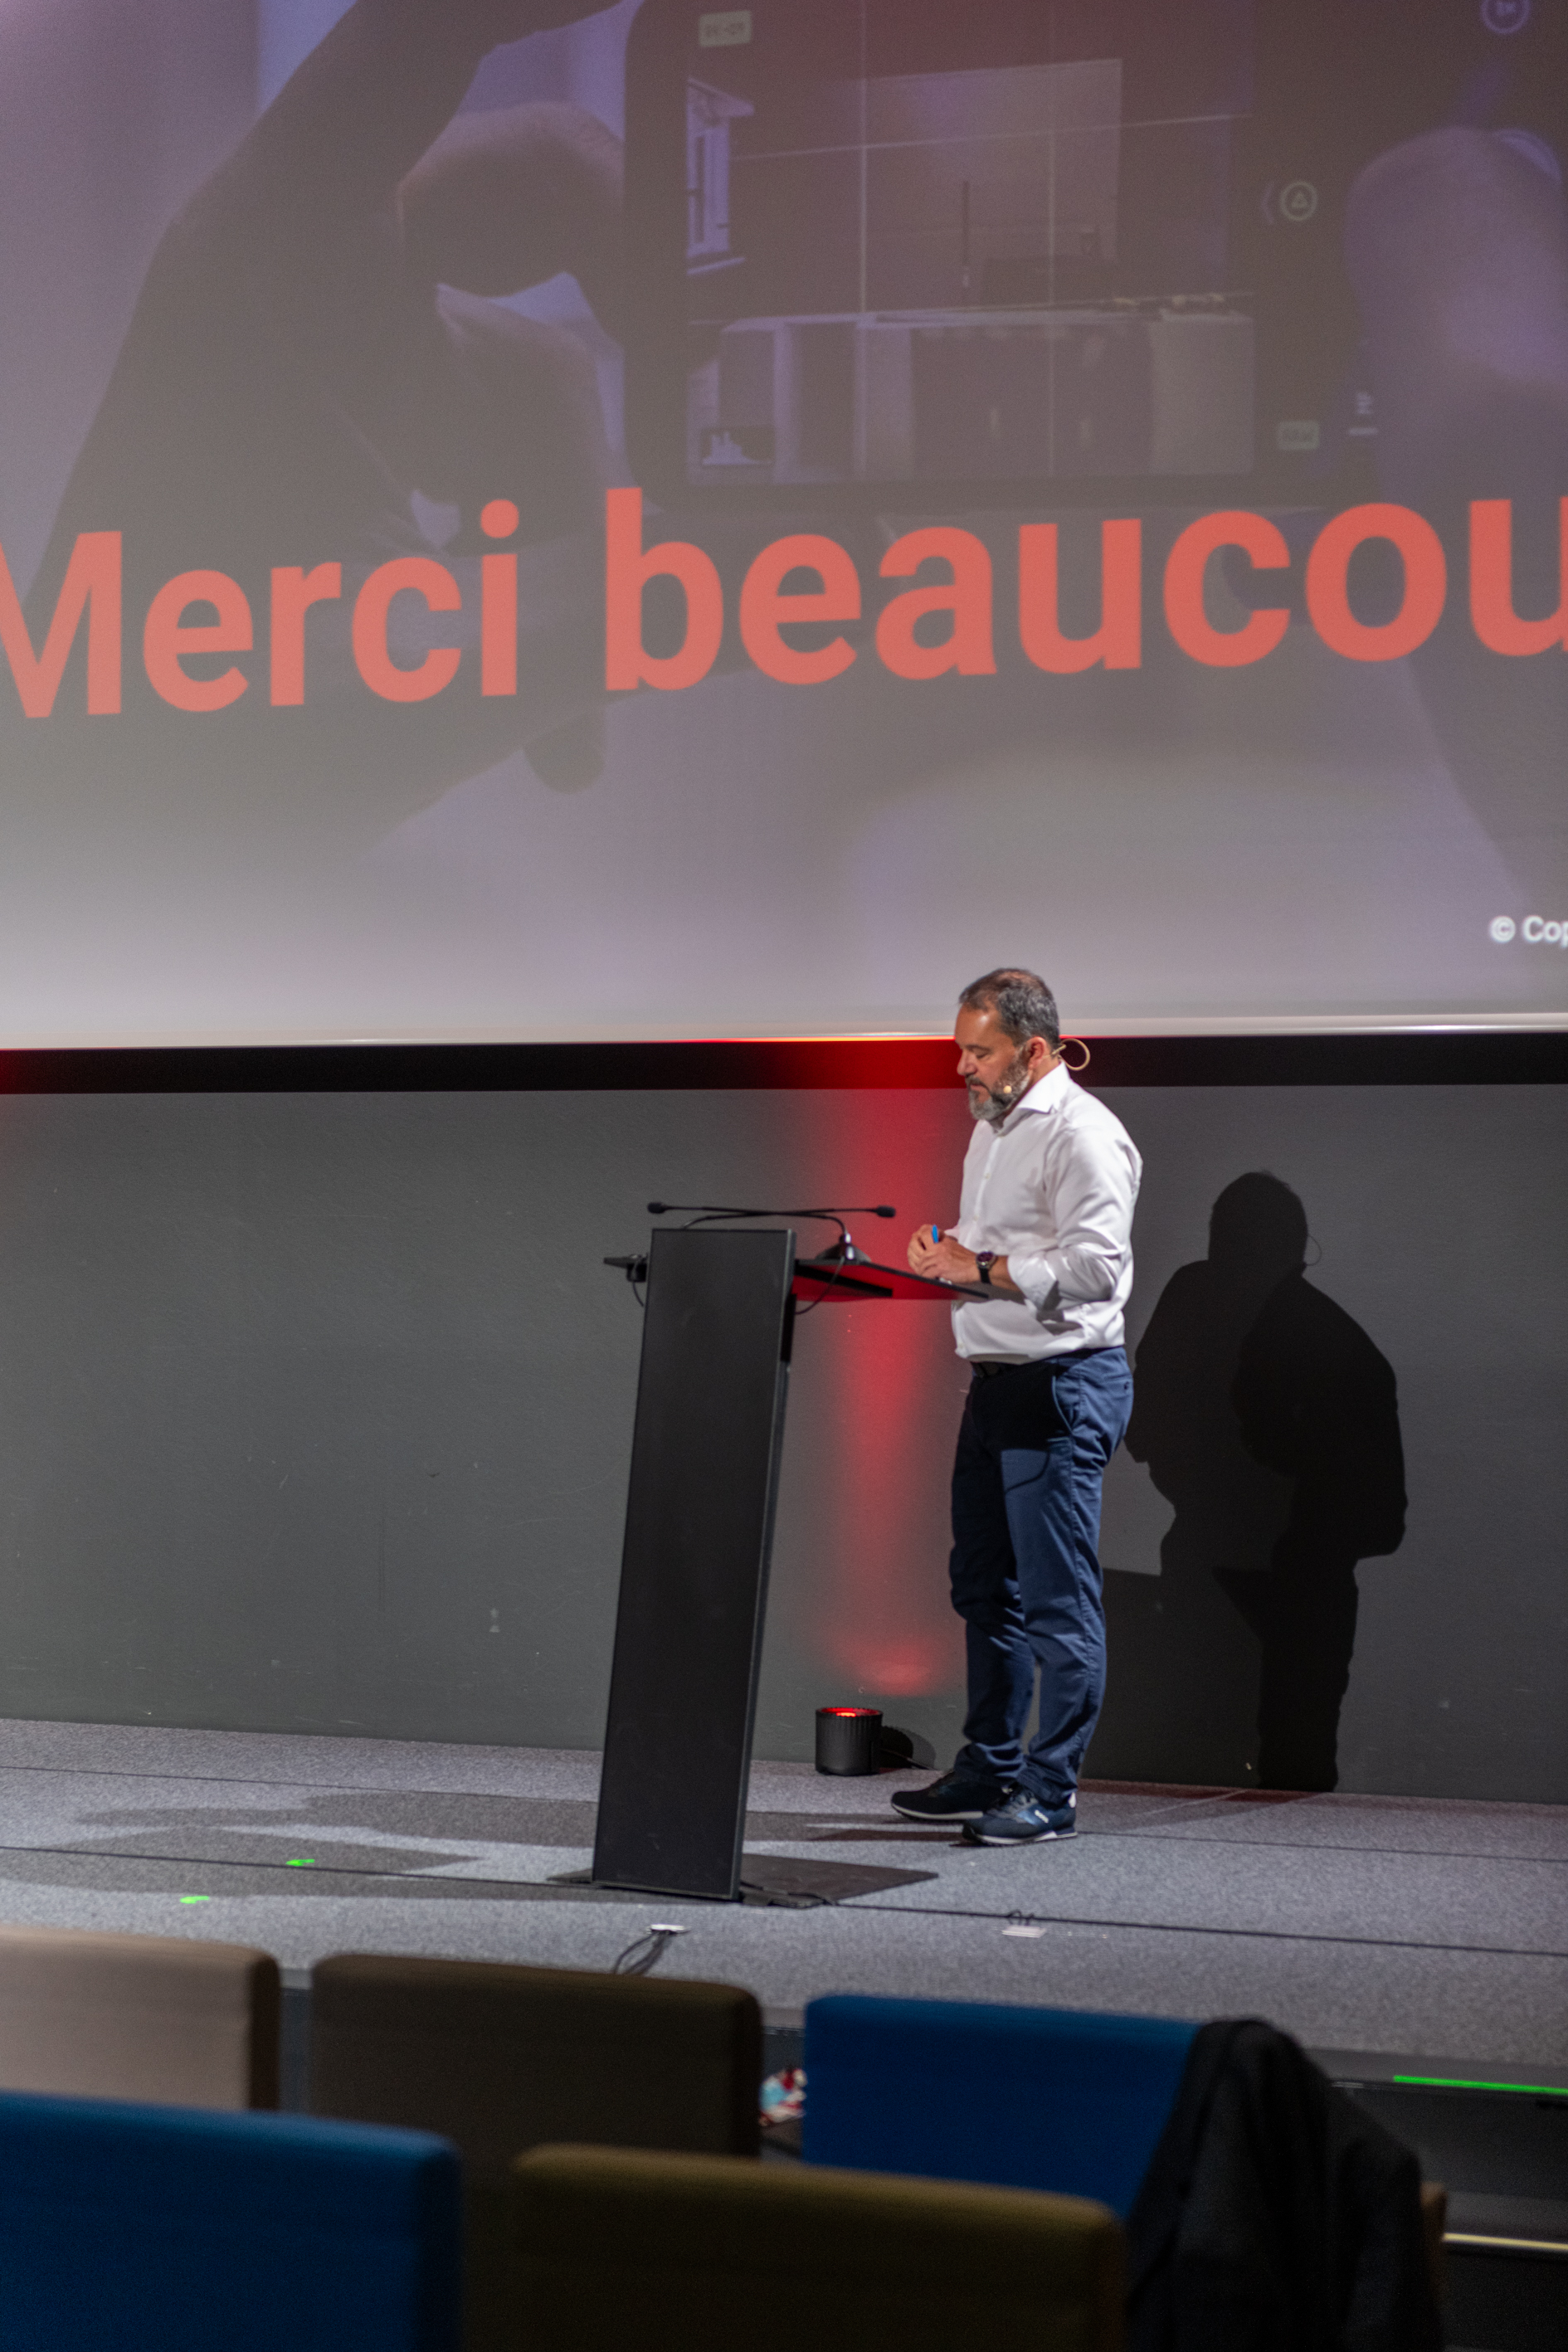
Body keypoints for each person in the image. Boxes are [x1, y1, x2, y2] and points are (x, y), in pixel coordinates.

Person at [895, 967, 1141, 1846]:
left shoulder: (1084, 1134)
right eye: (960, 1049)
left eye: (980, 1051)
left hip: (1061, 1386)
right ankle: (991, 1765)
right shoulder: (994, 1127)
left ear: (1032, 1050)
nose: (962, 1066)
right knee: (982, 1587)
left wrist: (981, 1267)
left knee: (1055, 1602)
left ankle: (1050, 1790)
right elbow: (1002, 1253)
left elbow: (1097, 1268)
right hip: (997, 1384)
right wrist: (950, 1252)